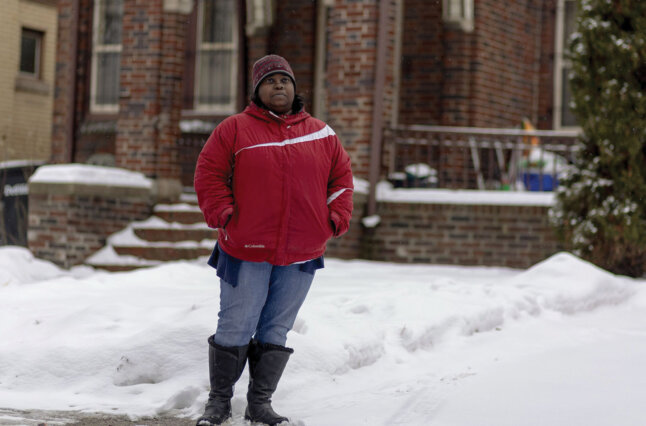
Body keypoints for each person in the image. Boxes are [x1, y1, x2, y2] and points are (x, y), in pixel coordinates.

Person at [193, 54, 354, 426]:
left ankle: (259, 404)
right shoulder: (235, 129)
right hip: (247, 246)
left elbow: (342, 179)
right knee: (236, 323)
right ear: (256, 90)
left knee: (276, 328)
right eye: (269, 80)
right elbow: (209, 173)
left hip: (302, 251)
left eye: (284, 79)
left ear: (295, 87)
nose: (278, 85)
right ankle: (218, 402)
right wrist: (223, 214)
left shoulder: (321, 133)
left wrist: (334, 217)